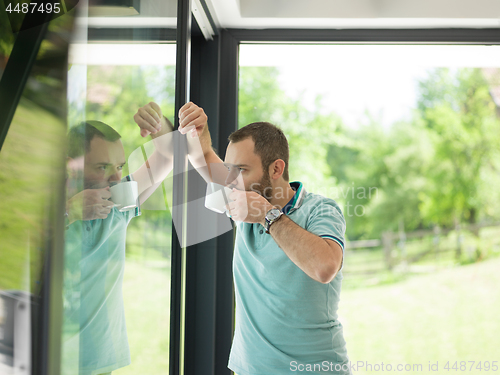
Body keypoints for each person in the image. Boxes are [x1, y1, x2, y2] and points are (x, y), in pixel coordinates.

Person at [141, 101, 351, 374]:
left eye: (240, 170)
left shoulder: (320, 209)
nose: (230, 181)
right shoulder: (241, 197)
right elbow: (203, 154)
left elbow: (324, 267)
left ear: (276, 169)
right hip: (249, 368)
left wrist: (269, 216)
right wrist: (199, 127)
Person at [62, 103, 174, 375]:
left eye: (119, 166)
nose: (115, 178)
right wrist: (69, 212)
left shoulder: (118, 202)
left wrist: (158, 125)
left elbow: (168, 156)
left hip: (99, 361)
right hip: (47, 356)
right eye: (102, 167)